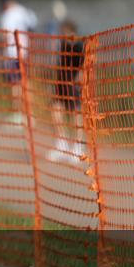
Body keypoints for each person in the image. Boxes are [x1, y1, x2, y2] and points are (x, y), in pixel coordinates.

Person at [47, 20, 85, 163]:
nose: (61, 35)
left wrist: (79, 82)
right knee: (56, 110)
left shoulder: (80, 46)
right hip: (61, 84)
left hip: (74, 85)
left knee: (76, 114)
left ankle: (78, 146)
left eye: (63, 32)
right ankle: (61, 144)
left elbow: (84, 67)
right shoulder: (62, 45)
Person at [0, 0, 37, 125]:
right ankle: (30, 115)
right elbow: (33, 26)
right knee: (25, 82)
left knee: (15, 84)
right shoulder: (24, 11)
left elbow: (6, 34)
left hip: (12, 52)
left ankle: (17, 114)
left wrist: (1, 50)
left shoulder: (8, 14)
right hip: (24, 51)